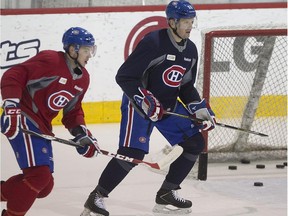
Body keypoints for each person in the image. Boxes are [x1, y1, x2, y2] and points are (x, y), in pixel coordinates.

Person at [80, 1, 216, 215]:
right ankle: (96, 197)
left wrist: (198, 109)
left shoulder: (190, 49)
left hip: (167, 106)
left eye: (191, 22)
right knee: (132, 153)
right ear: (172, 22)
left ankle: (167, 191)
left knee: (194, 142)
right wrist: (145, 99)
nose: (189, 26)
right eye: (185, 22)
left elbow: (186, 85)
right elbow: (125, 76)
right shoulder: (154, 42)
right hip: (139, 106)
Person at [0, 27, 101, 216]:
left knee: (45, 185)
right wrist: (11, 107)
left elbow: (72, 112)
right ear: (72, 50)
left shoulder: (83, 79)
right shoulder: (51, 61)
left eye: (91, 50)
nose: (89, 55)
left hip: (42, 127)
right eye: (86, 50)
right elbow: (13, 75)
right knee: (39, 176)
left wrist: (82, 134)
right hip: (22, 118)